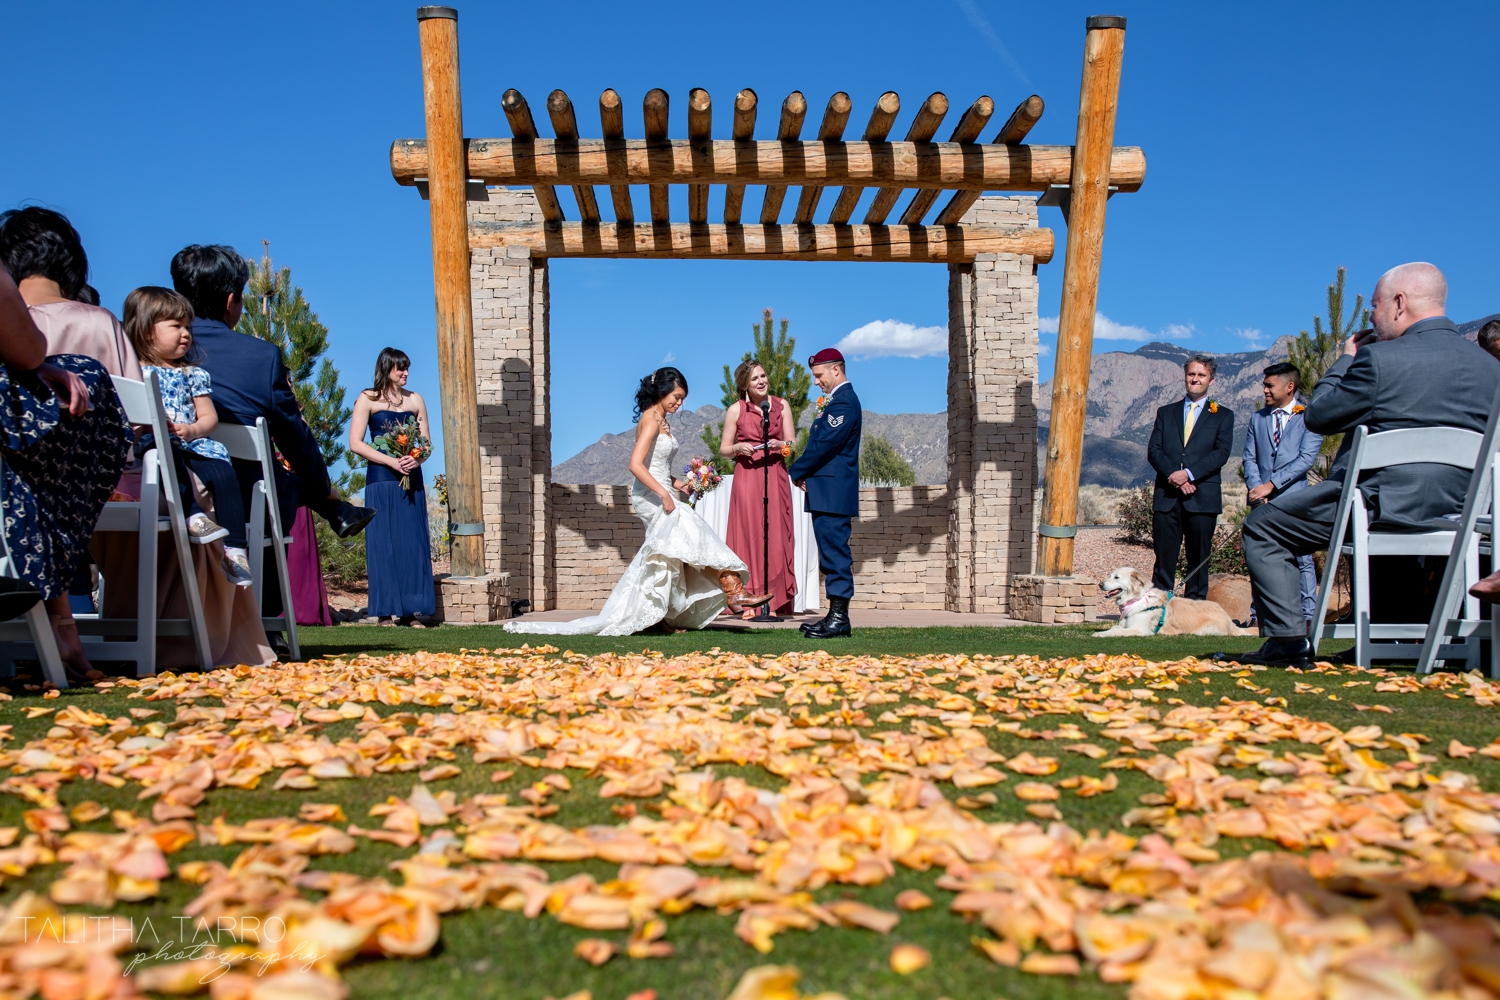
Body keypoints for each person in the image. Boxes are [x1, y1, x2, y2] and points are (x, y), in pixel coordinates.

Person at [1239, 262, 1500, 667]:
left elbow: (1318, 416)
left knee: (1262, 527)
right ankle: (1391, 644)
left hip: (1381, 504)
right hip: (1464, 509)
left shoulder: (1378, 360)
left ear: (1399, 304)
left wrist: (1344, 361)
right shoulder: (1492, 368)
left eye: (1375, 307)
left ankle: (1288, 642)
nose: (1372, 318)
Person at [505, 367, 768, 636]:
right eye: (676, 397)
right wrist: (664, 494)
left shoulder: (661, 419)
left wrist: (680, 485)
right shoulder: (651, 420)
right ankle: (734, 591)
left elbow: (659, 467)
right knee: (693, 532)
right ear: (662, 391)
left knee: (668, 556)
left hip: (660, 490)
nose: (679, 403)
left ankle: (660, 617)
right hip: (650, 496)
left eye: (682, 398)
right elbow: (635, 464)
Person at [169, 245, 373, 541]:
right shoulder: (260, 357)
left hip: (166, 490)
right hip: (246, 506)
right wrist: (323, 488)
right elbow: (295, 439)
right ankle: (335, 508)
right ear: (231, 301)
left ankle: (335, 509)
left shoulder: (144, 348)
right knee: (287, 483)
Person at [0, 262, 130, 682]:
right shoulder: (100, 322)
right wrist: (35, 364)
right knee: (82, 389)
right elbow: (26, 347)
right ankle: (61, 623)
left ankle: (60, 621)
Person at [122, 286, 253, 587]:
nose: (185, 334)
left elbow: (209, 417)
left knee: (222, 471)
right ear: (145, 331)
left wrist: (192, 429)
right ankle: (193, 515)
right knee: (165, 452)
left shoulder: (192, 374)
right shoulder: (133, 371)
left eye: (187, 327)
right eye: (176, 326)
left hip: (192, 442)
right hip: (154, 441)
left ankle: (235, 549)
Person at [348, 348, 434, 625]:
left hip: (411, 478)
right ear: (386, 369)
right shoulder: (367, 399)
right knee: (383, 543)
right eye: (401, 369)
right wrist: (391, 461)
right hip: (381, 480)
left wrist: (415, 459)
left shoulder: (416, 399)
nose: (406, 373)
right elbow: (355, 443)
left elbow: (426, 443)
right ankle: (384, 611)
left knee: (411, 543)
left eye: (407, 368)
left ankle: (412, 612)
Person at [1146, 355, 1235, 601]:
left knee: (1198, 559)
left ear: (1212, 380)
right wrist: (1175, 476)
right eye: (1191, 374)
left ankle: (1195, 608)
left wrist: (1188, 475)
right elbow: (1154, 451)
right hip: (1168, 496)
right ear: (1185, 377)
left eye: (1201, 375)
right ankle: (1158, 608)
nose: (1195, 379)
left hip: (1202, 496)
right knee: (1164, 557)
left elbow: (1221, 453)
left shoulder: (1223, 416)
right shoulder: (1166, 413)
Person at [788, 348, 862, 638]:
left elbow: (825, 446)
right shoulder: (837, 402)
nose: (816, 382)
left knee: (836, 554)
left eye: (819, 375)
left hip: (833, 492)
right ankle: (834, 616)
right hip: (826, 491)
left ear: (835, 369)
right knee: (830, 555)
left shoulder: (844, 403)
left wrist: (795, 470)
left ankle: (840, 619)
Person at [1241, 362, 1321, 628]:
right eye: (1264, 385)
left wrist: (1271, 485)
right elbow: (1250, 457)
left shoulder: (1308, 417)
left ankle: (1308, 615)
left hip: (1294, 497)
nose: (1264, 390)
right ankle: (1258, 615)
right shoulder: (1258, 418)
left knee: (1301, 556)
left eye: (1269, 385)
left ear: (1289, 387)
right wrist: (1256, 487)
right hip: (1261, 498)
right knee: (1260, 556)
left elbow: (1306, 459)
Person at [721, 359, 798, 618]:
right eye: (754, 379)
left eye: (763, 376)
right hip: (747, 477)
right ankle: (749, 601)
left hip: (775, 473)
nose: (761, 381)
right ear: (745, 384)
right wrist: (736, 449)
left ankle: (774, 601)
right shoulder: (735, 410)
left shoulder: (782, 406)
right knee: (749, 533)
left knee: (776, 535)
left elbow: (793, 445)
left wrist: (781, 445)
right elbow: (723, 449)